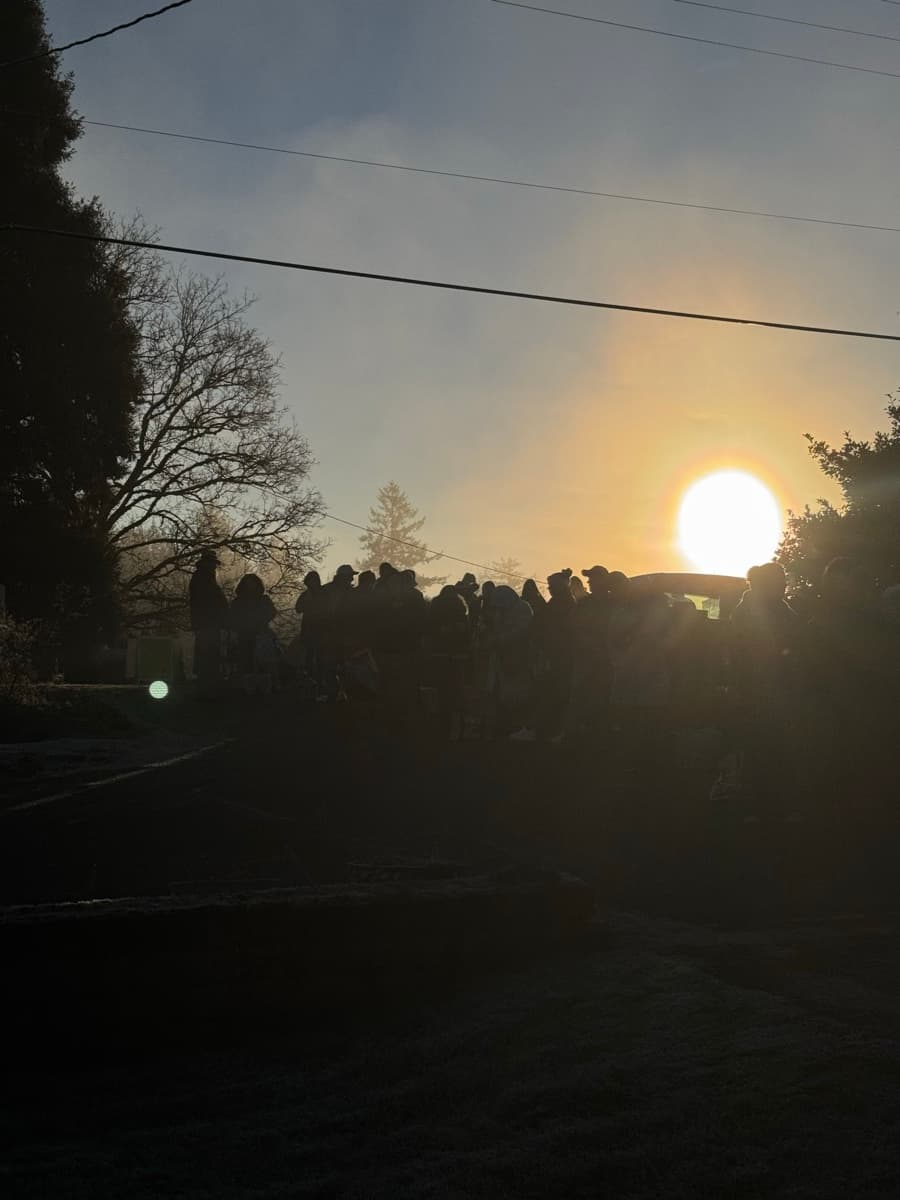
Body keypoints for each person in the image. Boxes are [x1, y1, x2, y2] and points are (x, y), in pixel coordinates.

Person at [729, 562, 802, 820]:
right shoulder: (754, 612)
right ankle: (762, 805)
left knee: (770, 750)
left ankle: (768, 805)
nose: (784, 584)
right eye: (780, 580)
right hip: (760, 692)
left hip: (771, 691)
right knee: (763, 750)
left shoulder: (766, 609)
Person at [427, 585, 470, 738]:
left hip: (442, 655)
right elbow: (466, 635)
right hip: (454, 656)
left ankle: (443, 725)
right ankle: (454, 726)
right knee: (454, 690)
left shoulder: (435, 612)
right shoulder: (460, 612)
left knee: (443, 691)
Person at [188, 549, 228, 691]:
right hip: (208, 623)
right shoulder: (202, 579)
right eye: (211, 563)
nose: (214, 566)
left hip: (208, 623)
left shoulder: (203, 577)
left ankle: (207, 684)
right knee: (208, 655)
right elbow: (208, 602)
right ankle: (207, 686)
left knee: (208, 654)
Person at [229, 573, 277, 685]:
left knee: (263, 661)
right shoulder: (238, 601)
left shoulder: (263, 599)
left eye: (252, 583)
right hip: (245, 635)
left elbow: (272, 612)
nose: (250, 586)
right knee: (246, 661)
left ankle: (263, 685)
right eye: (248, 583)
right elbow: (232, 618)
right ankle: (248, 686)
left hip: (261, 635)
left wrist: (261, 622)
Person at [295, 570, 328, 694]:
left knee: (320, 657)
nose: (311, 584)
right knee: (310, 656)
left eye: (312, 581)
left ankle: (320, 681)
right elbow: (298, 608)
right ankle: (311, 680)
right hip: (309, 629)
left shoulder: (323, 593)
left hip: (320, 629)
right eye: (309, 582)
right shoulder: (306, 595)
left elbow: (327, 609)